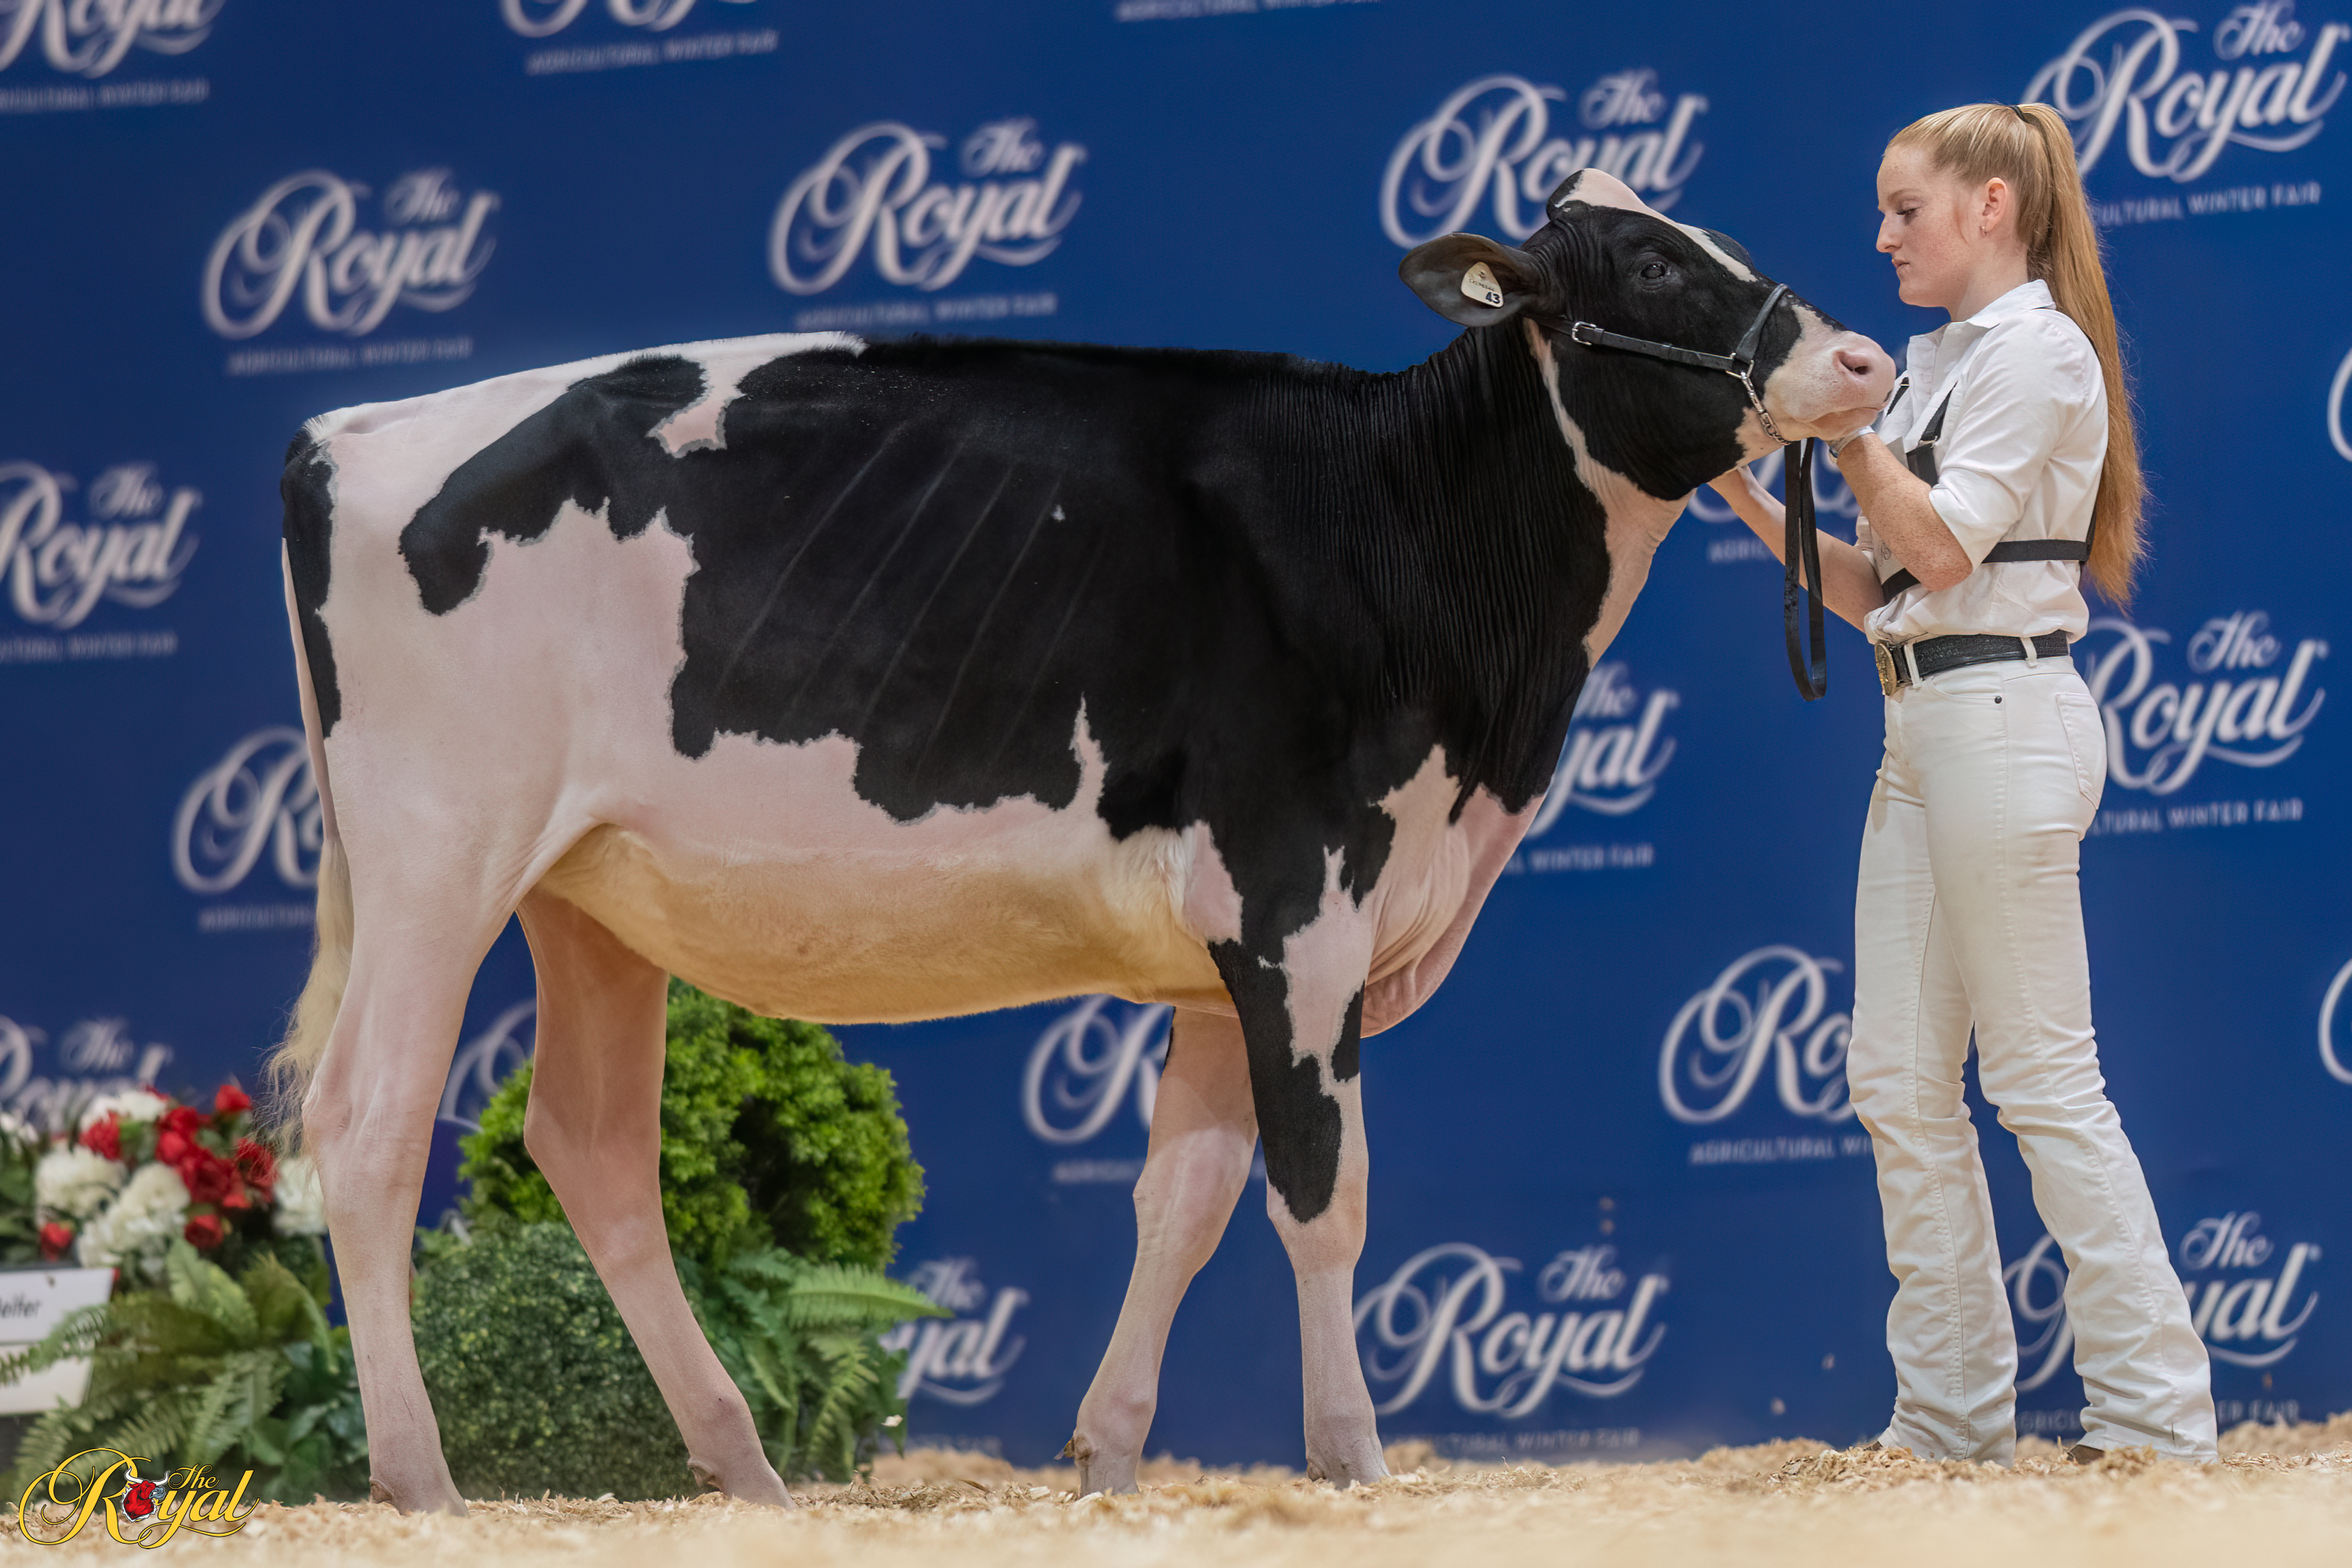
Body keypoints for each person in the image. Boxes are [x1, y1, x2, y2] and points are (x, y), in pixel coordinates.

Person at [1708, 102, 2216, 1465]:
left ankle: (2158, 1426)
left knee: (2043, 1079)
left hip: (2003, 718)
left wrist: (1847, 431)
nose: (1882, 237)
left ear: (1992, 206)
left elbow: (1938, 554)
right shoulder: (1945, 362)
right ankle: (1948, 1422)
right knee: (1896, 1078)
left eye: (1906, 210)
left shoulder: (2039, 352)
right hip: (1931, 721)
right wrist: (1747, 494)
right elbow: (1885, 583)